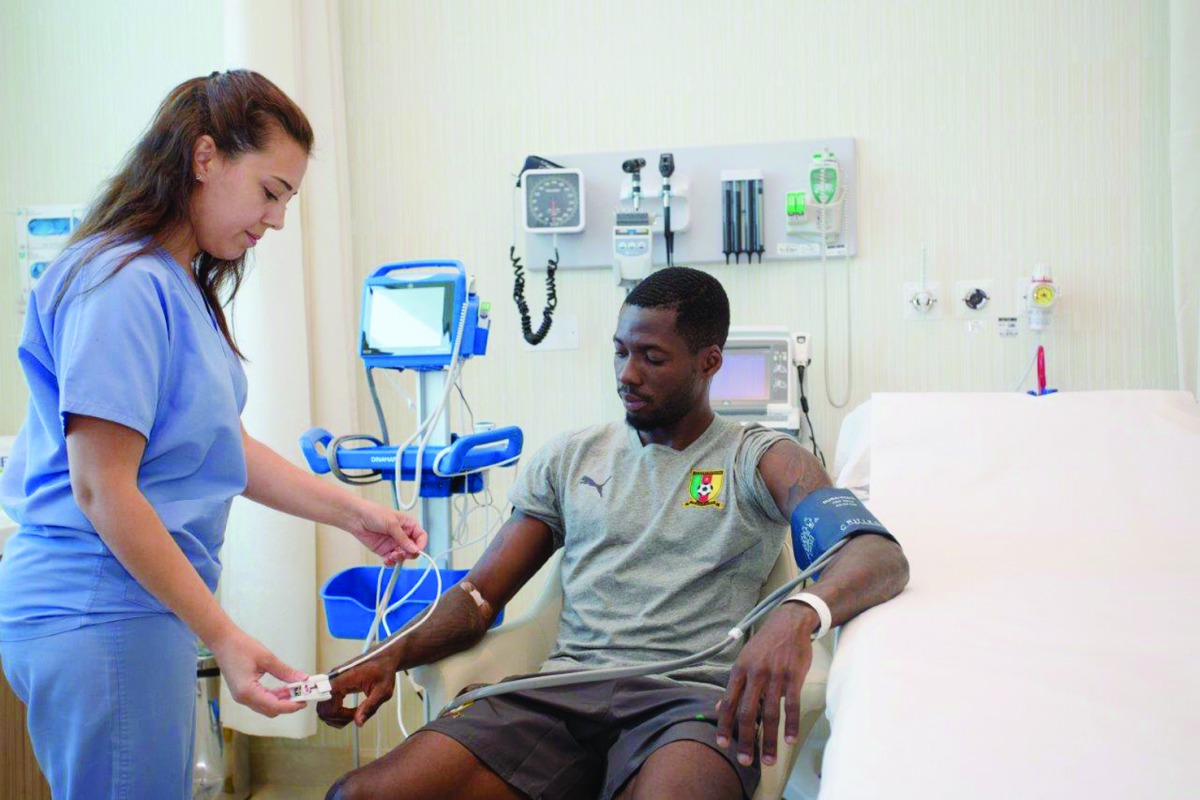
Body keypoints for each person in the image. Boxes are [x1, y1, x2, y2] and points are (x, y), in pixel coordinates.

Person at [318, 267, 909, 800]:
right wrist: (386, 657)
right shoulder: (572, 458)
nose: (628, 374)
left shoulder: (759, 459)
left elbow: (876, 555)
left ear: (709, 362)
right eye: (621, 352)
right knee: (361, 796)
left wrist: (798, 614)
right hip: (557, 695)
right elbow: (478, 598)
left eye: (652, 357)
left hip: (688, 704)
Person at [0, 70, 427, 799]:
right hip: (100, 602)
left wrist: (357, 512)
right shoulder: (122, 284)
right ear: (204, 158)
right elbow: (103, 489)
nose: (277, 221)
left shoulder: (170, 284)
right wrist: (226, 636)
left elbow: (224, 450)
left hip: (129, 605)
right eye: (270, 192)